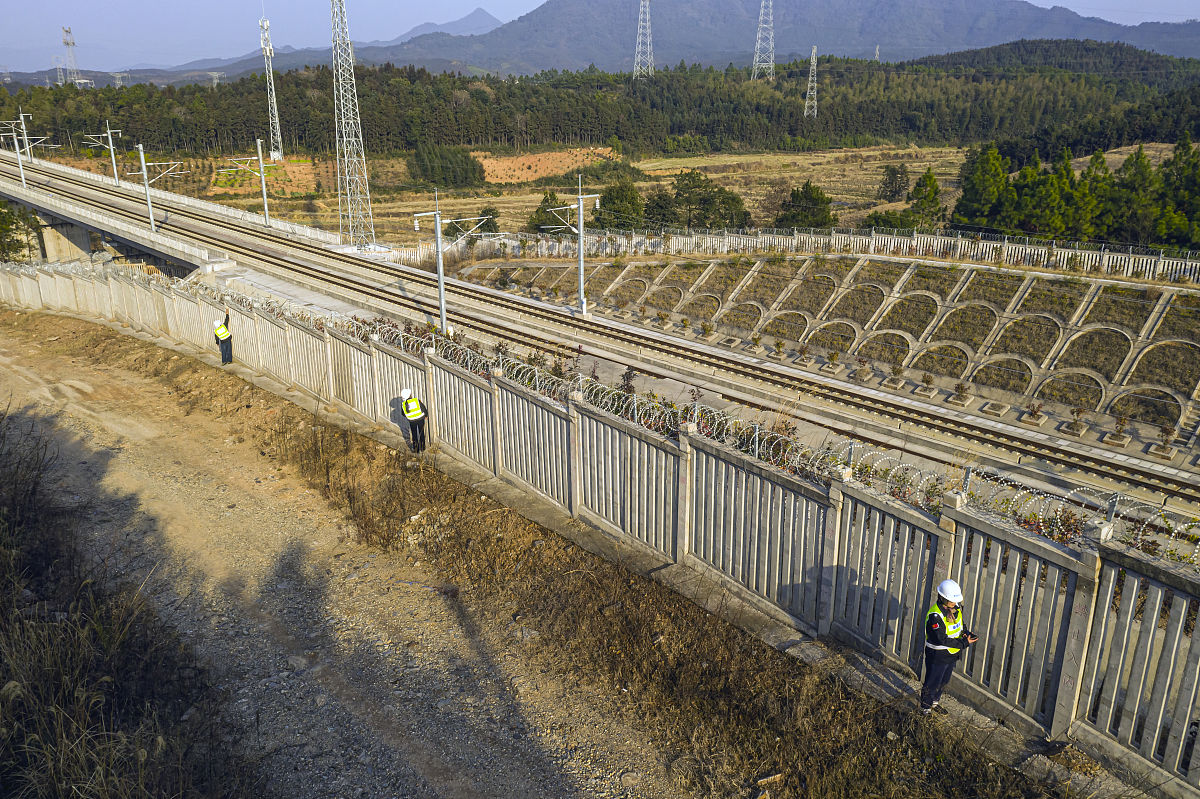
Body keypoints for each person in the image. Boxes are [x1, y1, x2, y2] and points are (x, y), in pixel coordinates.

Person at [920, 578, 978, 716]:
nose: (955, 603)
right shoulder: (935, 616)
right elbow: (941, 639)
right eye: (952, 600)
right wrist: (964, 643)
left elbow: (960, 626)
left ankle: (934, 703)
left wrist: (966, 634)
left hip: (951, 654)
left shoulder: (956, 609)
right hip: (937, 656)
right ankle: (925, 709)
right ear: (943, 598)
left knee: (943, 681)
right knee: (932, 682)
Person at [400, 388, 427, 453]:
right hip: (420, 419)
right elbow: (423, 408)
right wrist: (426, 415)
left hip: (412, 421)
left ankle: (416, 449)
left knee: (414, 434)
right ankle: (422, 448)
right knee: (421, 433)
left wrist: (411, 416)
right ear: (410, 395)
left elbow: (403, 414)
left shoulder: (403, 405)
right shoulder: (416, 401)